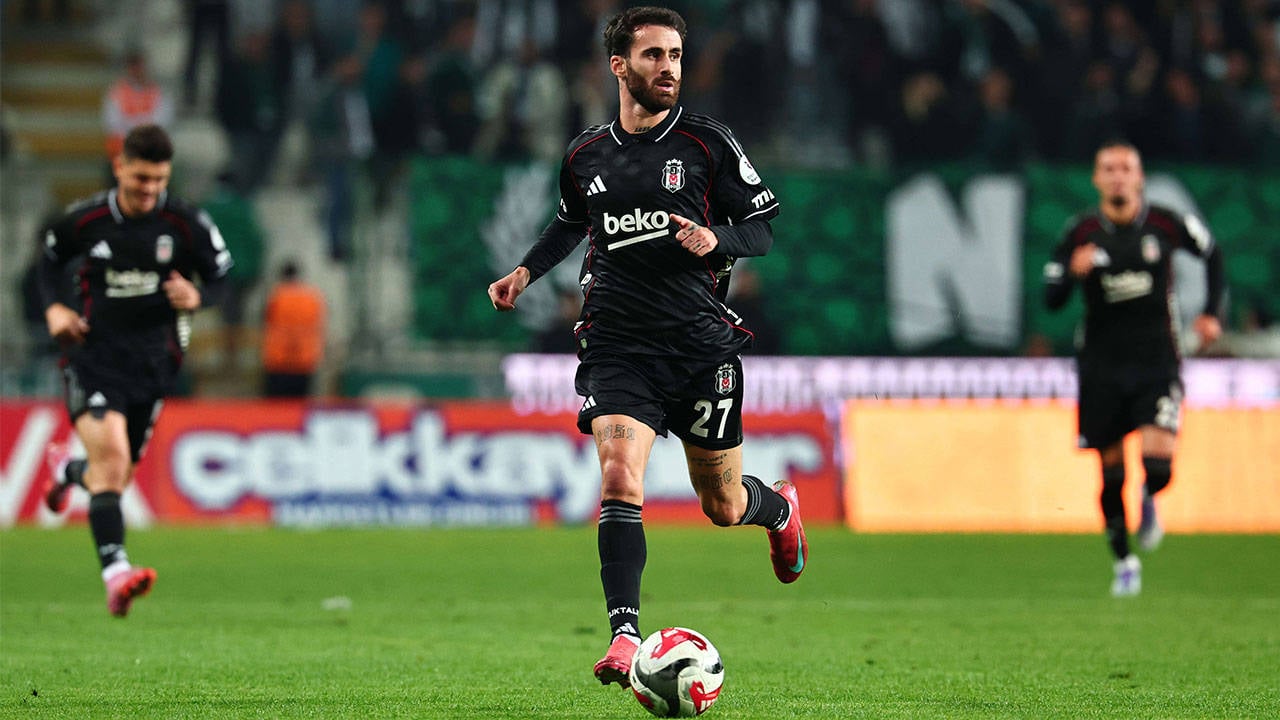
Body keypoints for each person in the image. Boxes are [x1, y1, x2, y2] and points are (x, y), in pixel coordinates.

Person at [487, 6, 806, 689]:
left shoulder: (707, 142)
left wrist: (718, 238)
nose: (668, 68)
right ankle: (625, 636)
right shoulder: (585, 155)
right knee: (618, 477)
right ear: (619, 65)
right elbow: (570, 222)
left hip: (698, 346)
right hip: (618, 343)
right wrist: (524, 272)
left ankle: (778, 509)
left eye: (676, 56)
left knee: (721, 505)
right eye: (654, 55)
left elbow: (762, 228)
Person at [38, 124, 233, 617]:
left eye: (159, 180)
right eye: (141, 178)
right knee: (111, 460)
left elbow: (223, 277)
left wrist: (199, 296)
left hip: (152, 366)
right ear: (119, 167)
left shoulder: (185, 224)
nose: (149, 190)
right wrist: (55, 310)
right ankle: (117, 573)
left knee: (114, 477)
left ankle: (66, 470)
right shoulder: (85, 220)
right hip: (93, 358)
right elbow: (47, 262)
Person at [1044, 139, 1224, 597]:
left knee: (1158, 467)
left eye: (1126, 168)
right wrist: (1072, 273)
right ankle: (1124, 562)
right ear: (1096, 179)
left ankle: (1149, 499)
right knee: (1110, 477)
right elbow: (1051, 298)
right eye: (1109, 169)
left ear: (1139, 177)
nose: (1118, 176)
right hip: (1101, 369)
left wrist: (1211, 313)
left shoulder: (1165, 223)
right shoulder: (1080, 232)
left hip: (1156, 363)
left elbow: (1212, 253)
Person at [261, 260, 326, 398]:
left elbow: (266, 320)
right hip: (304, 359)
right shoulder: (312, 297)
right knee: (299, 405)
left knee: (276, 405)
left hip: (279, 359)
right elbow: (318, 323)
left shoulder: (276, 296)